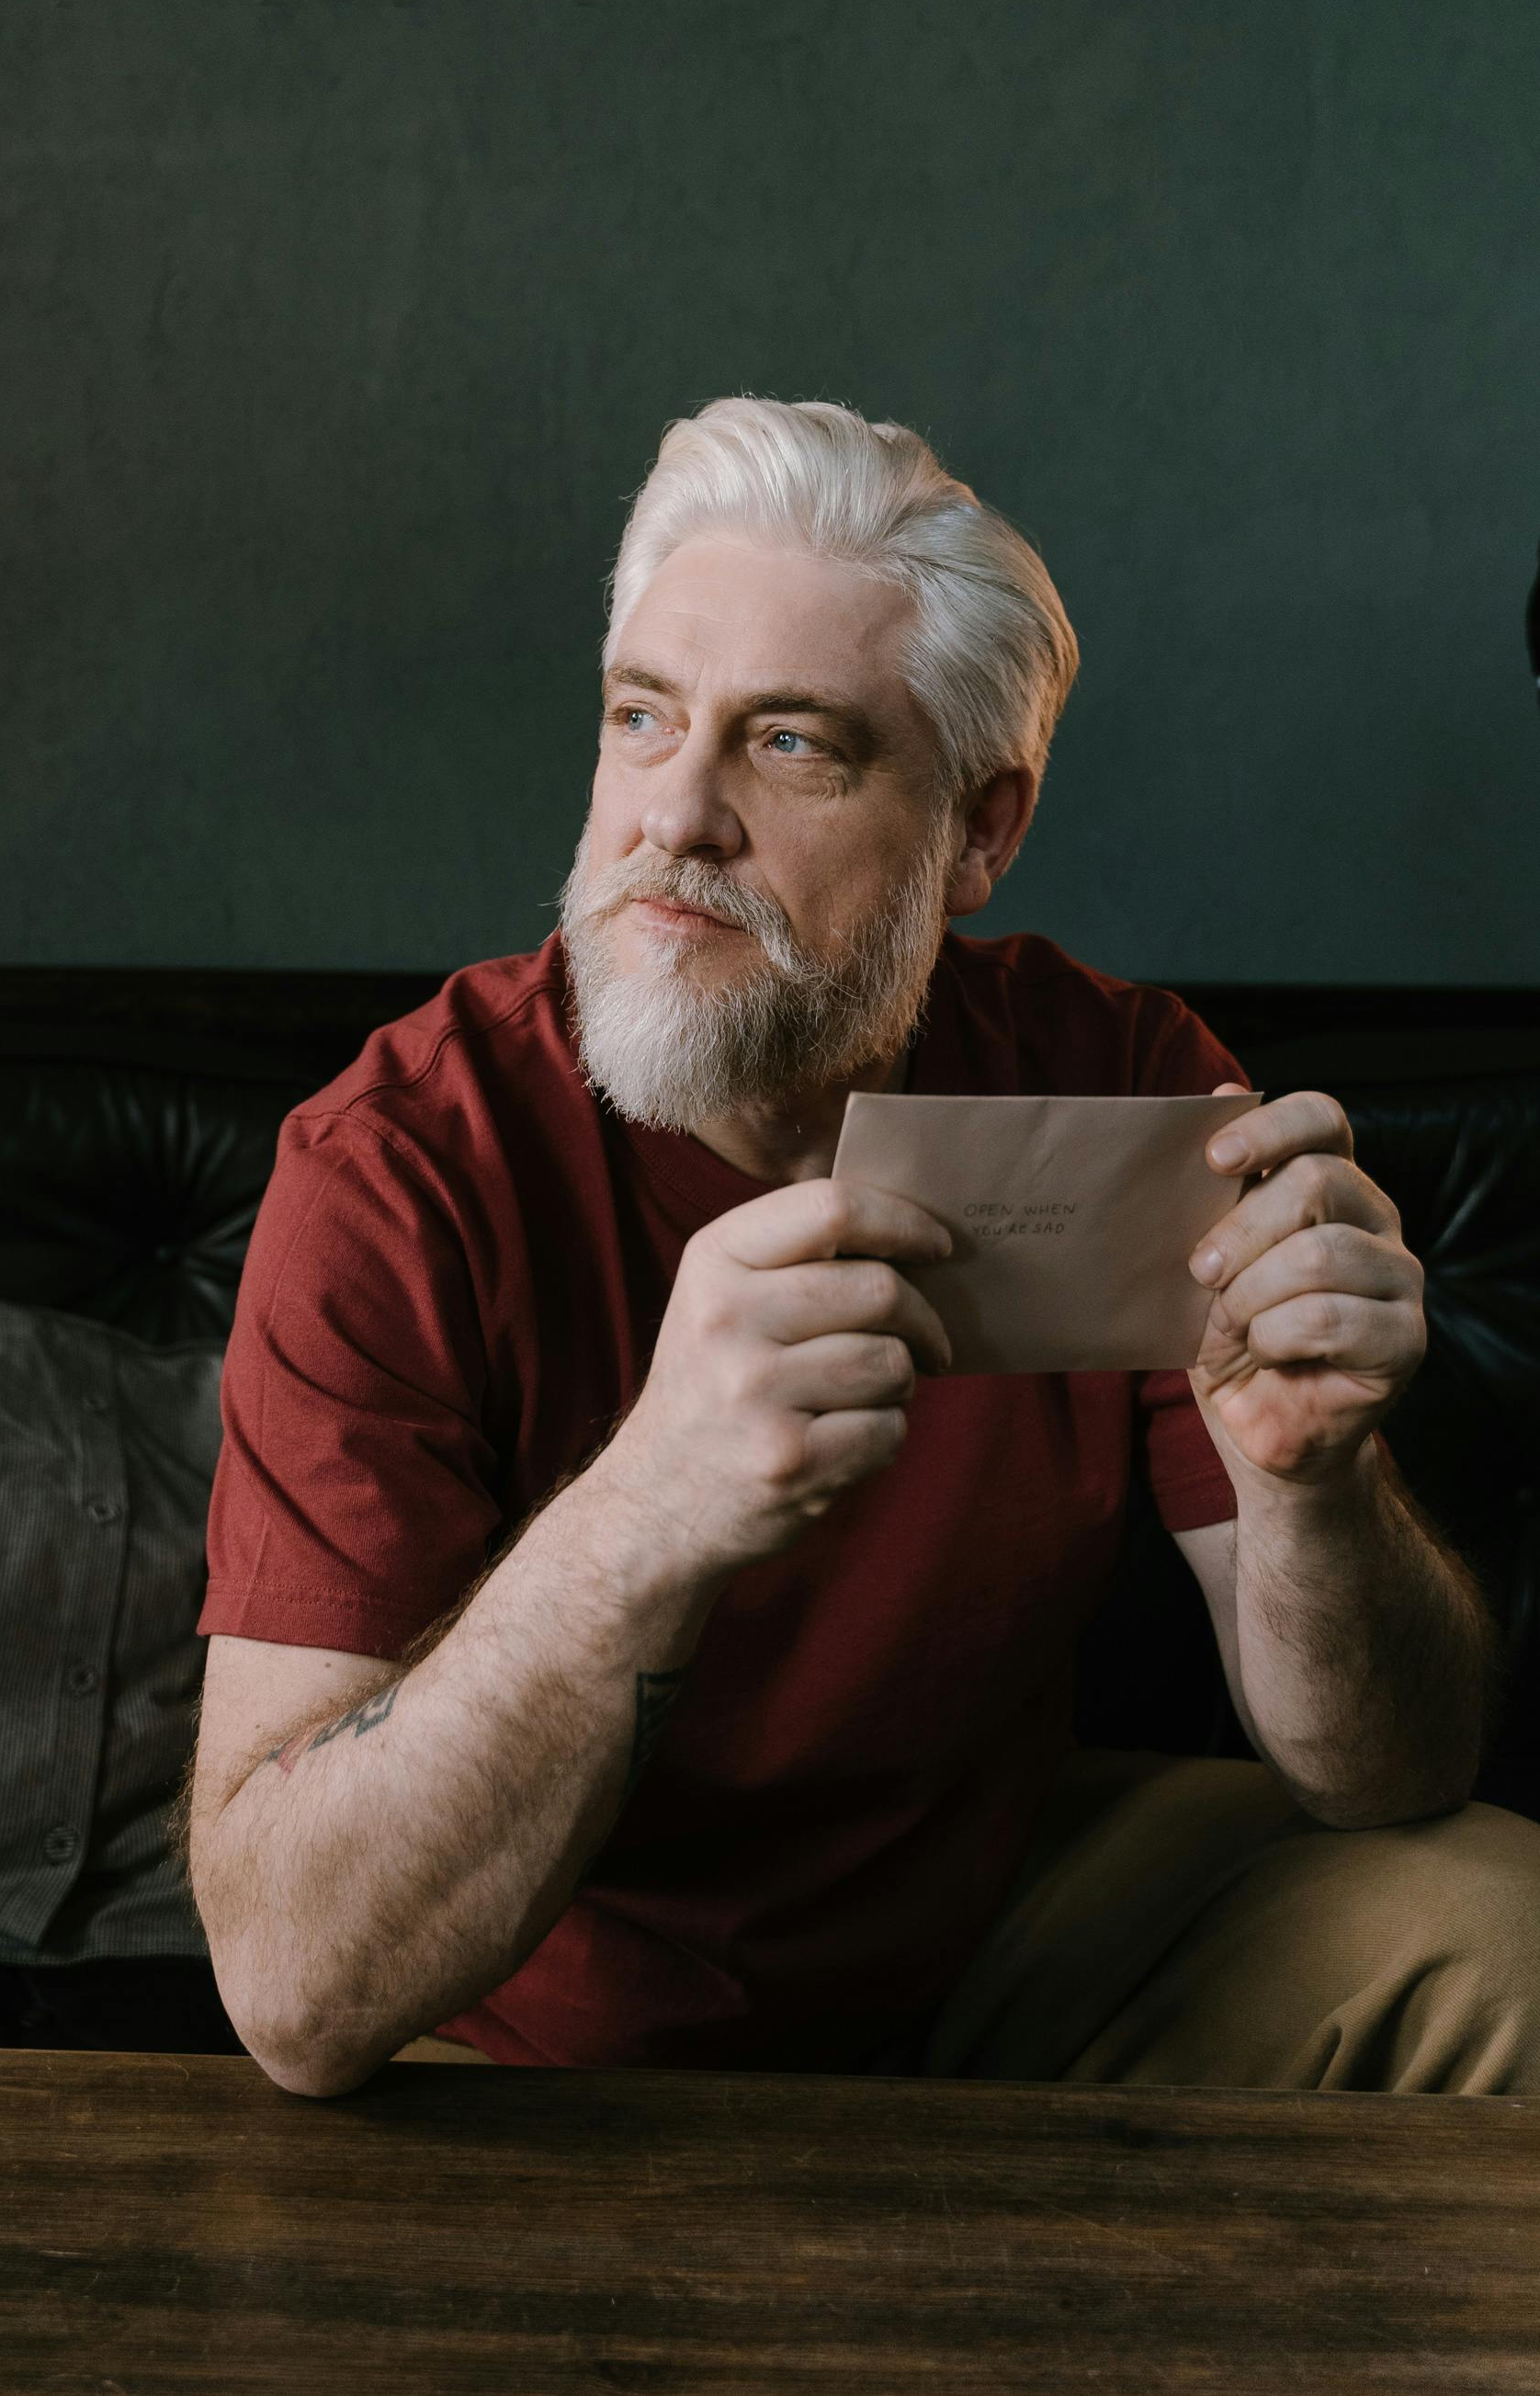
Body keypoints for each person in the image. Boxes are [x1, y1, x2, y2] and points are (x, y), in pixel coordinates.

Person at [187, 395, 1540, 2097]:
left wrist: (1312, 1491)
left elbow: (1382, 1776)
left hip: (987, 1941)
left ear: (979, 831)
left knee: (1506, 1927)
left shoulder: (1119, 1083)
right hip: (534, 2033)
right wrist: (641, 1517)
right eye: (640, 720)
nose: (675, 816)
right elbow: (294, 1996)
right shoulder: (396, 1167)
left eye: (790, 744)